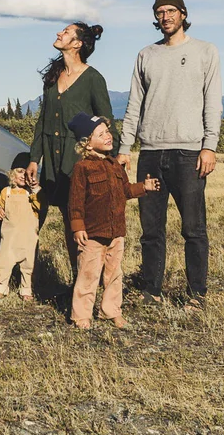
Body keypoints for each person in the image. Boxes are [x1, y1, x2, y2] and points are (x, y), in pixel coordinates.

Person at [117, 0, 222, 308]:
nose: (165, 17)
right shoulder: (146, 55)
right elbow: (134, 105)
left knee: (193, 228)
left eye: (171, 11)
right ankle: (151, 290)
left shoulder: (205, 51)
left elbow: (213, 102)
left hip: (189, 154)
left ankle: (196, 294)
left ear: (183, 14)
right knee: (151, 230)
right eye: (160, 12)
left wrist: (209, 146)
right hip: (150, 152)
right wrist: (124, 147)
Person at [25, 22, 114, 276]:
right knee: (69, 220)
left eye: (65, 32)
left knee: (85, 222)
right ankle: (78, 281)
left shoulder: (93, 79)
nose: (59, 33)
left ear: (77, 44)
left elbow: (106, 121)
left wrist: (109, 160)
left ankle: (93, 280)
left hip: (80, 161)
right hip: (55, 160)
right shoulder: (53, 78)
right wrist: (34, 158)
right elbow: (43, 121)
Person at [66, 112, 158, 328]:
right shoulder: (82, 168)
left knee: (114, 274)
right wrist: (78, 227)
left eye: (107, 131)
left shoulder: (115, 165)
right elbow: (75, 201)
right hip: (93, 234)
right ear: (87, 144)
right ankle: (81, 315)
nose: (108, 136)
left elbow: (125, 190)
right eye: (101, 134)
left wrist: (143, 187)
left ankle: (111, 310)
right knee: (88, 275)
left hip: (117, 232)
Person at [0, 152, 42, 300]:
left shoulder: (33, 193)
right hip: (9, 238)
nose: (23, 175)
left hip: (28, 237)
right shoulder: (6, 192)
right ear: (12, 174)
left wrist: (35, 190)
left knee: (28, 265)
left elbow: (41, 206)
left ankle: (26, 290)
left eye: (27, 172)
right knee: (3, 262)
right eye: (19, 171)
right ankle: (0, 288)